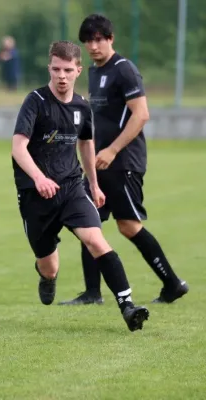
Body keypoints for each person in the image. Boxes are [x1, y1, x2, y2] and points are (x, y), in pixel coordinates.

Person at [11, 40, 149, 332]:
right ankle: (47, 278)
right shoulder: (35, 101)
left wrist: (95, 185)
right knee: (49, 267)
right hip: (35, 196)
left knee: (97, 241)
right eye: (56, 69)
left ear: (77, 71)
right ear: (49, 68)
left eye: (68, 70)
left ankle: (127, 306)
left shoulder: (82, 106)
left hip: (72, 188)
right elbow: (18, 147)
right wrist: (38, 178)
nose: (61, 75)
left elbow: (86, 144)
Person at [59, 14, 188, 306]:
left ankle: (172, 283)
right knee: (85, 219)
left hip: (123, 162)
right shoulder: (93, 72)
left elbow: (141, 114)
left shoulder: (124, 70)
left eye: (98, 39)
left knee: (128, 226)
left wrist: (113, 150)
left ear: (110, 39)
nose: (93, 45)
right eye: (88, 40)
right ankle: (92, 293)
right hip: (101, 163)